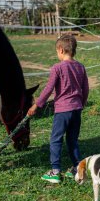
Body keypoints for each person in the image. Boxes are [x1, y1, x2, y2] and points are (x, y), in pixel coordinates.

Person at [27, 34, 89, 183]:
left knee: (56, 140)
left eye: (56, 51)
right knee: (73, 140)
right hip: (76, 109)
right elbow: (85, 88)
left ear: (61, 50)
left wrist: (36, 105)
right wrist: (82, 102)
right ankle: (76, 168)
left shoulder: (57, 68)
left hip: (63, 111)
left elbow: (48, 89)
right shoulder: (81, 67)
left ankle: (55, 171)